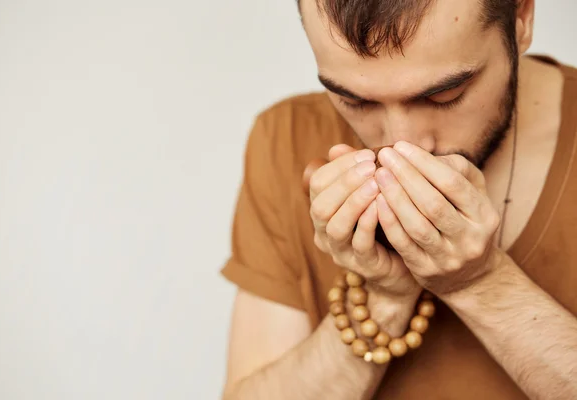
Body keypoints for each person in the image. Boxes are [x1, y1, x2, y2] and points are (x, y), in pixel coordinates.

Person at [220, 0, 577, 399]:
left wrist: (480, 283)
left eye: (445, 95)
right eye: (355, 101)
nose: (400, 144)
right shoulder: (285, 138)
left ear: (521, 19)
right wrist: (383, 298)